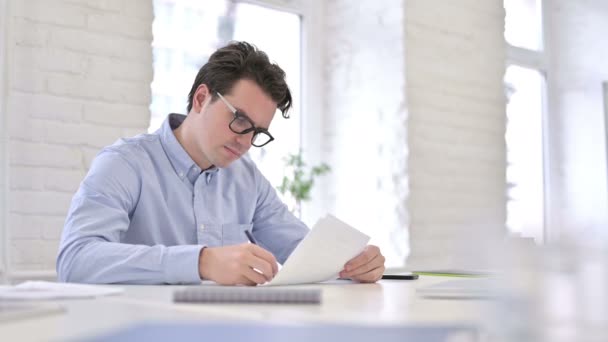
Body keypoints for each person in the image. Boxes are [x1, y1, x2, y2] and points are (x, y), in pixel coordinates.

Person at [57, 41, 385, 285]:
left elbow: (303, 252)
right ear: (201, 98)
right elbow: (75, 259)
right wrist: (199, 262)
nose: (244, 140)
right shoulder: (125, 164)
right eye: (239, 119)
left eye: (256, 131)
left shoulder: (247, 178)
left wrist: (351, 263)